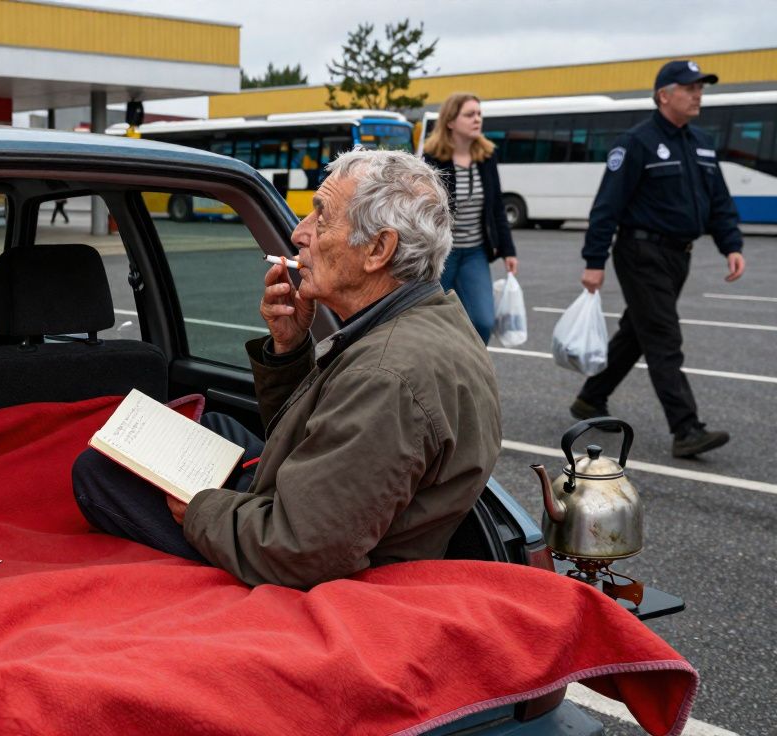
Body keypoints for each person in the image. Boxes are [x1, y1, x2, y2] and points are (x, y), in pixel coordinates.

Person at [73, 149, 502, 589]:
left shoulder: (386, 377)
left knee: (99, 472)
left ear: (378, 249)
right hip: (320, 519)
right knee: (218, 424)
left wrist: (199, 508)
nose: (299, 233)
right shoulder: (432, 321)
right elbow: (321, 436)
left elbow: (300, 549)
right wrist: (290, 348)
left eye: (322, 216)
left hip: (320, 573)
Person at [570, 60, 745, 459]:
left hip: (679, 255)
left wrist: (731, 244)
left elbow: (719, 200)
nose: (698, 94)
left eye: (701, 87)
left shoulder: (700, 142)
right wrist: (593, 260)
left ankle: (589, 398)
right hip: (640, 252)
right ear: (664, 94)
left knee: (639, 331)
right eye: (690, 87)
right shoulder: (637, 143)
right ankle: (686, 428)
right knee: (664, 335)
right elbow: (607, 206)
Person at [421, 92, 518, 344]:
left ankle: (470, 372)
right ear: (450, 122)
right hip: (442, 253)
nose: (477, 119)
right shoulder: (433, 159)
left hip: (475, 252)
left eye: (479, 114)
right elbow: (422, 208)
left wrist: (509, 250)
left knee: (483, 321)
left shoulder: (486, 157)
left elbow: (496, 205)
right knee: (434, 321)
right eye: (469, 114)